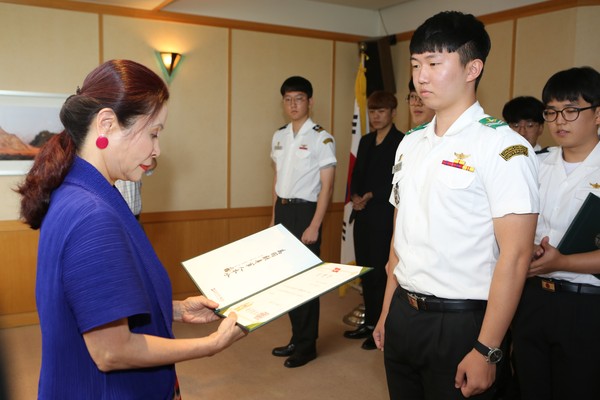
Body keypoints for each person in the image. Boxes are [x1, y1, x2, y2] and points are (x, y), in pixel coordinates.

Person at [16, 59, 245, 399]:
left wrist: (177, 309)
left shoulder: (84, 190)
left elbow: (96, 300)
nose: (157, 150)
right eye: (153, 133)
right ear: (106, 123)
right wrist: (210, 345)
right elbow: (112, 351)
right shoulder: (92, 214)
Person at [372, 11, 539, 400]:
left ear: (472, 68)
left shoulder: (503, 148)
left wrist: (488, 349)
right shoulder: (410, 143)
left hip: (463, 321)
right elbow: (400, 239)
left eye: (433, 63)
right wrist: (386, 312)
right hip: (403, 312)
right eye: (415, 65)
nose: (421, 77)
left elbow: (514, 257)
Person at [511, 66, 600, 400]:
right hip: (532, 296)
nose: (560, 120)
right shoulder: (535, 163)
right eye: (551, 111)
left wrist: (562, 261)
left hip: (586, 306)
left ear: (597, 114)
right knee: (529, 386)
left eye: (571, 110)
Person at [269, 76, 336, 368]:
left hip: (306, 213)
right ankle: (296, 337)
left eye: (299, 99)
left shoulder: (322, 138)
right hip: (283, 211)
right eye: (288, 99)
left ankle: (307, 346)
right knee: (286, 280)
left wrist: (315, 225)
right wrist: (273, 219)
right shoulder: (279, 136)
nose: (293, 104)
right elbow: (277, 180)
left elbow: (328, 187)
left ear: (310, 101)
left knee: (306, 282)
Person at [343, 91, 403, 350]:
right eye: (372, 112)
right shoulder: (366, 140)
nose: (376, 116)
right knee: (365, 272)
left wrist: (371, 195)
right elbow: (356, 174)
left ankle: (382, 326)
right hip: (362, 214)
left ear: (393, 113)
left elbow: (396, 181)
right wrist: (355, 194)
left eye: (381, 111)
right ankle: (368, 323)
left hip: (383, 216)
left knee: (380, 274)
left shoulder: (401, 141)